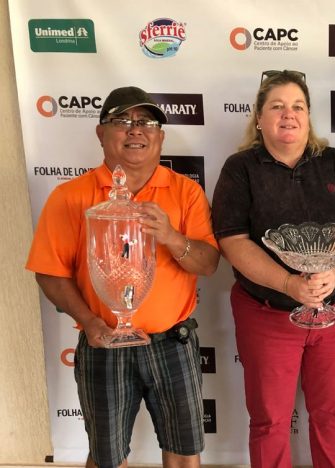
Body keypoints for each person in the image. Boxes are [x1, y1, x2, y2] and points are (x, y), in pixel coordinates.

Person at [26, 86, 220, 468]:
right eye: (122, 120)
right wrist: (90, 322)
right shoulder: (70, 196)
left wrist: (171, 237)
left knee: (185, 452)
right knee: (106, 457)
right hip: (104, 342)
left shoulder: (186, 192)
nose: (135, 130)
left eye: (146, 122)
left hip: (172, 342)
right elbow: (49, 273)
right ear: (101, 133)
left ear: (160, 137)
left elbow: (209, 263)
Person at [211, 70, 335, 468]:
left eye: (298, 106)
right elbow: (232, 241)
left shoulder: (333, 162)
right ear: (259, 118)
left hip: (333, 310)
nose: (289, 114)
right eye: (277, 106)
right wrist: (288, 283)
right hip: (267, 314)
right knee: (270, 422)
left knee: (332, 415)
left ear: (309, 116)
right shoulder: (240, 168)